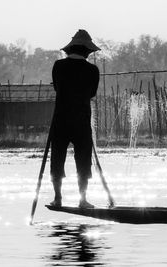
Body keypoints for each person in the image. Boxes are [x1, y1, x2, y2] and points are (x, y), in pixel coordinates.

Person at [50, 29, 100, 208]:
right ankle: (83, 199)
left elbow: (57, 88)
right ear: (87, 51)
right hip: (81, 121)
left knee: (57, 159)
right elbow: (92, 93)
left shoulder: (58, 66)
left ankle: (57, 198)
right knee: (83, 160)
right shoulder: (92, 70)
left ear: (71, 49)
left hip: (60, 119)